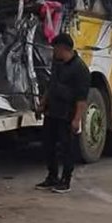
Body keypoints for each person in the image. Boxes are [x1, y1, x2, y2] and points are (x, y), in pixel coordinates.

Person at [35, 33, 90, 194]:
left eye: (55, 49)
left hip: (67, 114)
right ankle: (52, 176)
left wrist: (77, 119)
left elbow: (82, 99)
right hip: (52, 112)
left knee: (67, 148)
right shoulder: (57, 63)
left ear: (63, 48)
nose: (53, 52)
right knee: (48, 145)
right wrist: (43, 104)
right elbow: (50, 86)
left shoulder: (80, 69)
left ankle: (65, 180)